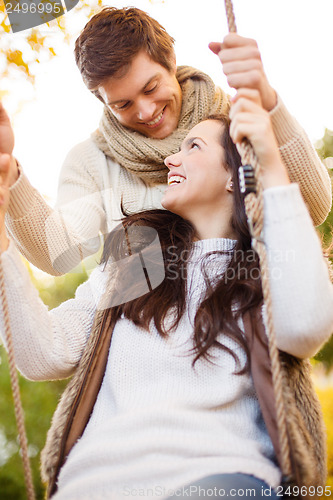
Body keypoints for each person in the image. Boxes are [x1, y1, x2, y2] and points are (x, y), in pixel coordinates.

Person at [1, 87, 333, 499]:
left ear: (236, 173)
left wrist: (270, 158)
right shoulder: (135, 262)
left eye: (193, 147)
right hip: (92, 486)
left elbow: (306, 327)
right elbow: (42, 353)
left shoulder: (269, 268)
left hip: (221, 479)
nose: (170, 158)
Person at [0, 7, 331, 275]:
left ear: (170, 60)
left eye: (150, 88)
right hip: (146, 333)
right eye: (123, 104)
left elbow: (313, 208)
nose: (145, 112)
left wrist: (269, 101)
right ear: (103, 102)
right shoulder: (90, 160)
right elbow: (60, 254)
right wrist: (9, 171)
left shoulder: (238, 121)